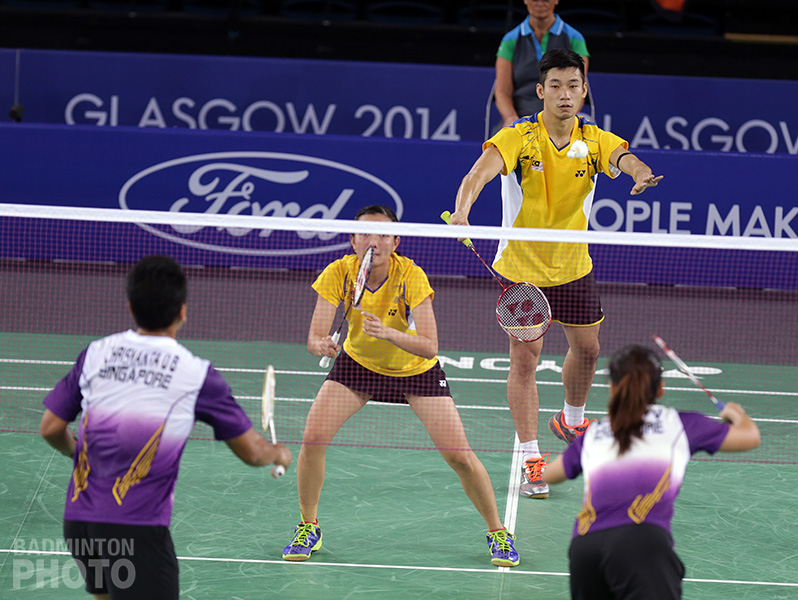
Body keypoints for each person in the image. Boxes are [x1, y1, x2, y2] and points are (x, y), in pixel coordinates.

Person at [448, 48, 663, 500]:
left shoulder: (594, 138)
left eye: (573, 86)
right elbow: (478, 173)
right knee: (525, 361)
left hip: (572, 266)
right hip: (522, 269)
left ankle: (571, 419)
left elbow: (626, 158)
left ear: (584, 91)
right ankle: (531, 456)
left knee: (588, 350)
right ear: (541, 91)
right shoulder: (519, 136)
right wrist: (463, 210)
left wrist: (640, 174)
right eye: (556, 86)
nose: (565, 94)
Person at [39, 255, 292, 600]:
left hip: (79, 523)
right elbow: (252, 452)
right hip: (136, 529)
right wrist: (278, 453)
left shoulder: (96, 354)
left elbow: (50, 427)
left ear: (130, 307)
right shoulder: (196, 375)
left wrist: (77, 454)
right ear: (183, 312)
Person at [281, 204, 520, 567]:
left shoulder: (411, 275)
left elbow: (430, 346)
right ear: (352, 240)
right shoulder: (339, 273)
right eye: (364, 233)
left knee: (459, 456)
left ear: (396, 241)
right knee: (313, 438)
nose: (372, 241)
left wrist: (388, 333)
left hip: (415, 371)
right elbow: (314, 337)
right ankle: (308, 525)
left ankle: (498, 531)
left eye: (382, 234)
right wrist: (321, 345)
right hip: (359, 366)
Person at [543, 344, 761, 599]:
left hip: (585, 548)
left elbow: (550, 475)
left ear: (612, 388)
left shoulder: (594, 433)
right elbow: (750, 438)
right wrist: (737, 414)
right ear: (660, 389)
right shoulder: (680, 424)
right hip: (641, 542)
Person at [495, 0, 590, 128]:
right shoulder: (510, 40)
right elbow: (503, 91)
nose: (540, 3)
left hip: (562, 118)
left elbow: (577, 89)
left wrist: (562, 119)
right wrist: (512, 119)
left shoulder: (575, 38)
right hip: (520, 119)